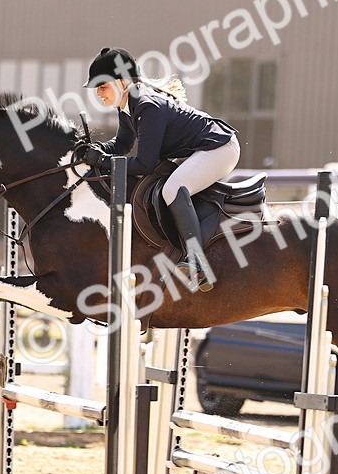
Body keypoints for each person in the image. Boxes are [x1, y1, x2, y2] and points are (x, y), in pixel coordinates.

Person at [78, 47, 240, 292]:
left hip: (220, 148)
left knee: (173, 189)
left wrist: (101, 161)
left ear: (121, 82)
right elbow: (121, 145)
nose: (99, 93)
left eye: (102, 86)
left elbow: (145, 164)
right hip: (200, 150)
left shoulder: (146, 106)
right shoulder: (128, 106)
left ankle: (199, 265)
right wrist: (94, 150)